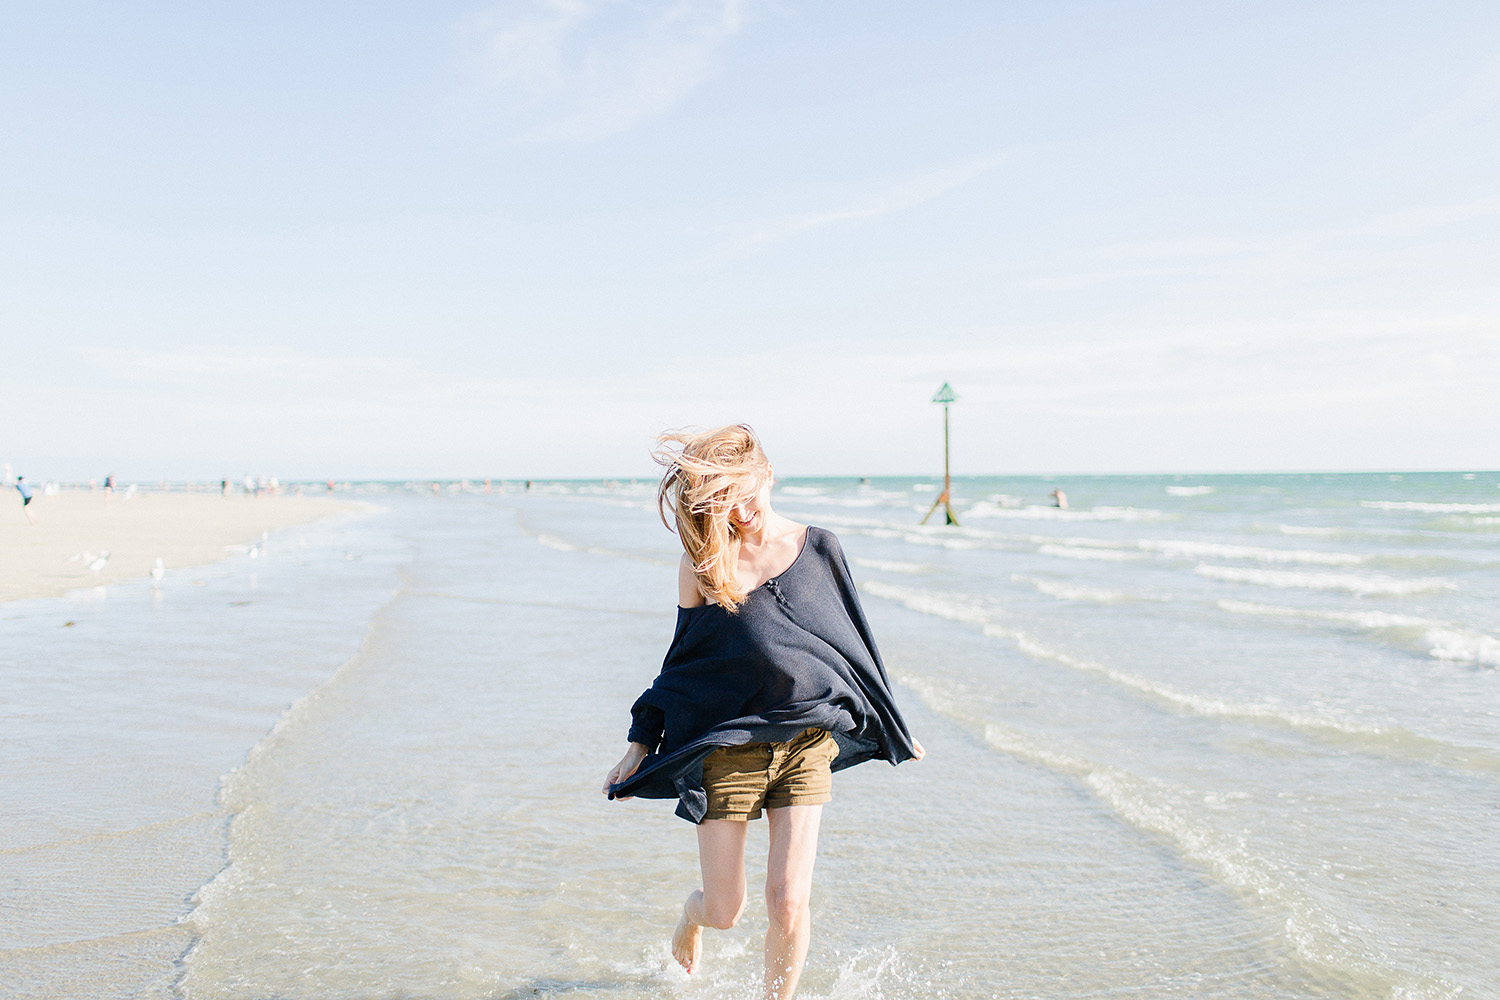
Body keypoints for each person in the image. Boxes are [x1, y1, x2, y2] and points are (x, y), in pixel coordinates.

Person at [603, 425, 924, 1000]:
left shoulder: (820, 546)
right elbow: (683, 662)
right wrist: (639, 743)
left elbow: (851, 641)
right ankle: (690, 916)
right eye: (723, 499)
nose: (740, 509)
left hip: (806, 741)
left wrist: (891, 721)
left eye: (745, 491)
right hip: (726, 745)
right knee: (726, 910)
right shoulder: (705, 563)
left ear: (768, 475)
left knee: (789, 901)